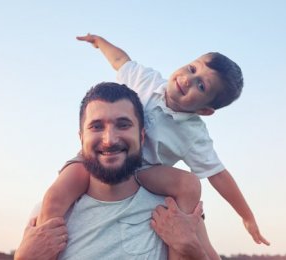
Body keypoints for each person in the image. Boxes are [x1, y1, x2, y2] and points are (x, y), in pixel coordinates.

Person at [38, 33, 270, 257]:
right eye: (192, 68)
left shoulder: (194, 134)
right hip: (98, 158)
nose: (189, 79)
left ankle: (179, 250)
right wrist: (100, 42)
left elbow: (218, 175)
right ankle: (42, 243)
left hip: (145, 171)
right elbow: (120, 61)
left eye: (201, 86)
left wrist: (246, 216)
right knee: (56, 195)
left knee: (189, 189)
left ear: (204, 110)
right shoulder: (146, 79)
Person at [15, 82, 209, 260]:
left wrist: (192, 249)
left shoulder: (173, 213)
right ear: (81, 138)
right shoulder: (49, 217)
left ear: (141, 137)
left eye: (123, 125)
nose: (109, 139)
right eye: (97, 126)